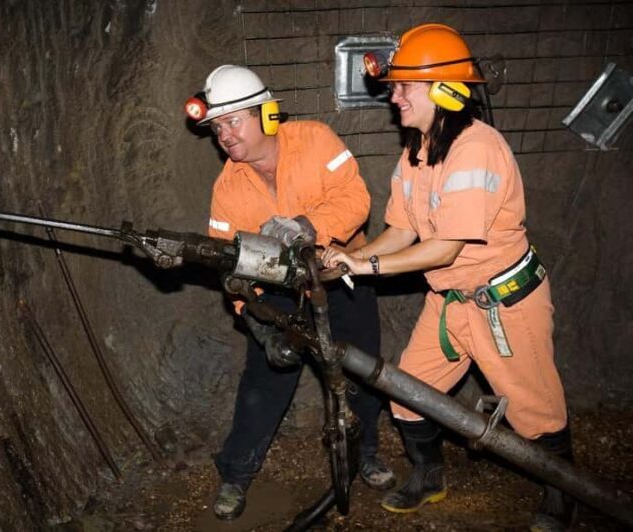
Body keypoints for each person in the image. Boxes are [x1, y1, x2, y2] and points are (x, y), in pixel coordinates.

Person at [321, 24, 574, 531]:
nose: (393, 97)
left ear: (444, 90)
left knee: (534, 411)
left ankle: (563, 492)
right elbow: (400, 230)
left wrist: (363, 265)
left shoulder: (476, 148)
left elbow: (444, 246)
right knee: (408, 390)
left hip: (503, 303)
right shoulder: (416, 150)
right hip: (450, 302)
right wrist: (348, 258)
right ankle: (429, 476)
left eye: (403, 87)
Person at [186, 64, 395, 521]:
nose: (224, 134)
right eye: (217, 126)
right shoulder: (228, 190)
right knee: (264, 380)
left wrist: (307, 226)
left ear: (266, 115)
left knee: (361, 369)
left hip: (340, 273)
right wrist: (258, 326)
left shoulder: (317, 140)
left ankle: (368, 453)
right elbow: (231, 269)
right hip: (280, 291)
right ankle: (236, 475)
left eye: (233, 121)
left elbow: (356, 198)